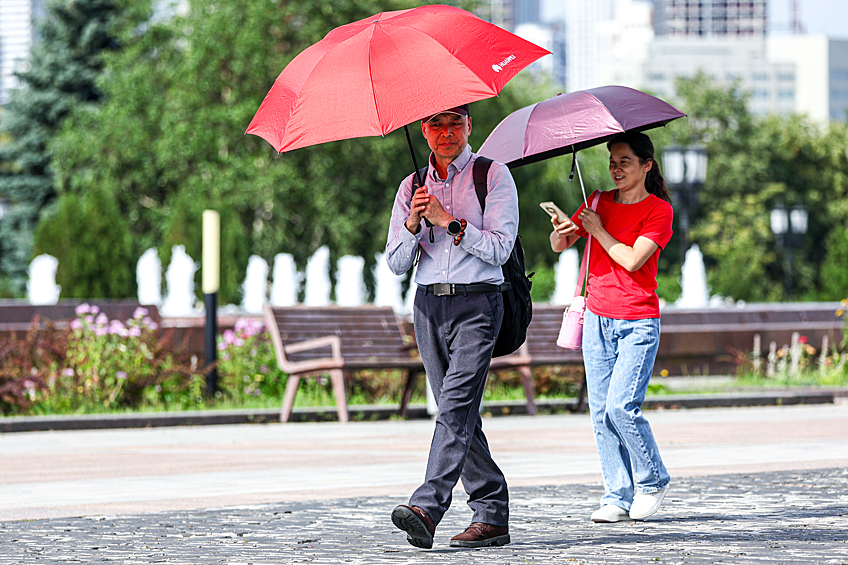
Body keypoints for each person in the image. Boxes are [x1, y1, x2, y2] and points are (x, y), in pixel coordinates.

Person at [385, 103, 518, 549]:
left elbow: (500, 249)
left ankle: (427, 505)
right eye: (437, 124)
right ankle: (492, 511)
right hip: (427, 307)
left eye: (455, 123)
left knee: (456, 406)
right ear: (423, 130)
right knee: (456, 414)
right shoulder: (410, 187)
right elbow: (397, 262)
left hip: (479, 305)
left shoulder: (493, 176)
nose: (446, 133)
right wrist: (413, 221)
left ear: (469, 126)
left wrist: (451, 223)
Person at [550, 131, 673, 523]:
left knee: (622, 407)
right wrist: (562, 228)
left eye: (625, 161)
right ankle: (617, 495)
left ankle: (652, 481)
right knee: (601, 411)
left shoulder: (659, 211)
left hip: (638, 321)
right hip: (597, 319)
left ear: (646, 166)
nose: (616, 168)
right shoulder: (598, 200)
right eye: (612, 161)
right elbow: (559, 245)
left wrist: (599, 228)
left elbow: (634, 260)